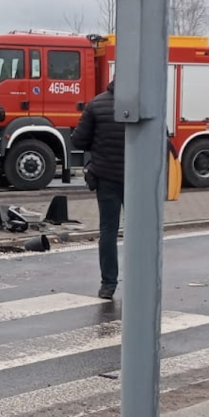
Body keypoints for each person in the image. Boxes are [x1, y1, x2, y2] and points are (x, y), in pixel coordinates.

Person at [71, 79, 125, 299]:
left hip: (106, 177)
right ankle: (140, 282)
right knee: (139, 232)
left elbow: (78, 141)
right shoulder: (144, 104)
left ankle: (108, 285)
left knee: (108, 230)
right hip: (137, 180)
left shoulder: (96, 104)